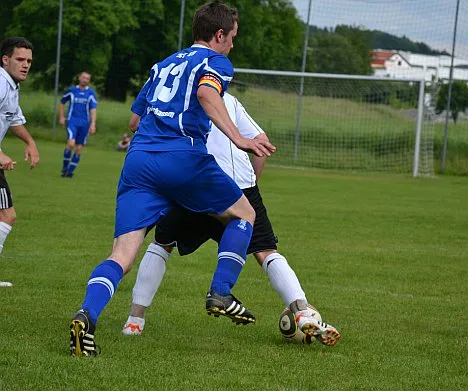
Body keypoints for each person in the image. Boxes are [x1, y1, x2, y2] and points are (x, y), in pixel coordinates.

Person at [69, 2, 276, 357]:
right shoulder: (216, 61)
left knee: (121, 254)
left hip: (138, 162)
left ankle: (86, 315)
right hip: (181, 157)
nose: (233, 46)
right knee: (245, 215)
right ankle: (221, 291)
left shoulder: (163, 64)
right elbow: (207, 94)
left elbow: (134, 122)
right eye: (232, 38)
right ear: (220, 34)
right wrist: (238, 139)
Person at [121, 92, 341, 346]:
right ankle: (302, 311)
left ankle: (135, 320)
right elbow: (262, 143)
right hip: (237, 185)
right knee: (265, 251)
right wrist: (252, 183)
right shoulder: (228, 99)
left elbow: (135, 124)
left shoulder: (172, 95)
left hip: (191, 180)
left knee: (162, 244)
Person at [0, 37, 40, 287]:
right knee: (7, 215)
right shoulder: (1, 84)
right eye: (20, 60)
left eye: (29, 61)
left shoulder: (11, 86)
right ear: (5, 60)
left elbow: (13, 119)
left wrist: (30, 142)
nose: (25, 65)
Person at [59, 71, 97, 178]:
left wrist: (93, 124)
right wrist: (62, 117)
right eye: (83, 77)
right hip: (72, 121)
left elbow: (93, 109)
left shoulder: (91, 93)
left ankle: (69, 172)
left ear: (89, 81)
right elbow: (62, 102)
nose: (85, 80)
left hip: (85, 123)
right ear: (79, 78)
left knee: (79, 149)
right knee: (71, 144)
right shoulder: (72, 90)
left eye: (87, 78)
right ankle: (64, 168)